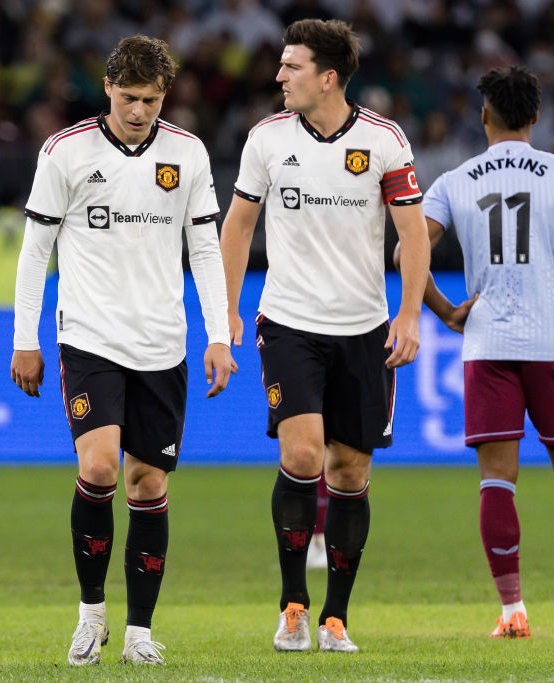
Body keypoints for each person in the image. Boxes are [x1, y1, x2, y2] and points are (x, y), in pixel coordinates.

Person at [10, 35, 233, 666]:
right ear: (108, 87)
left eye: (153, 100)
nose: (140, 111)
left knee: (147, 481)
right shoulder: (66, 152)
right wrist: (25, 339)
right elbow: (36, 251)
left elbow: (205, 249)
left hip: (163, 343)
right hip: (89, 337)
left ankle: (138, 633)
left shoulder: (186, 154)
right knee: (101, 466)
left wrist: (218, 331)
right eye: (130, 98)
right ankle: (89, 616)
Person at [405, 65, 554, 640]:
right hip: (552, 339)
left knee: (496, 481)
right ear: (536, 117)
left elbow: (407, 251)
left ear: (483, 115)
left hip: (486, 342)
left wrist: (445, 310)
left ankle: (512, 614)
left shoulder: (455, 180)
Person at [220, 19, 431, 654]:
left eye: (292, 67)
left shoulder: (384, 141)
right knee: (304, 456)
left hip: (364, 328)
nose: (279, 76)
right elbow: (237, 228)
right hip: (288, 322)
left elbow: (413, 235)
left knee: (349, 469)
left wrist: (411, 314)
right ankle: (293, 606)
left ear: (328, 77)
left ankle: (337, 617)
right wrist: (226, 310)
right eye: (281, 65)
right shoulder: (266, 139)